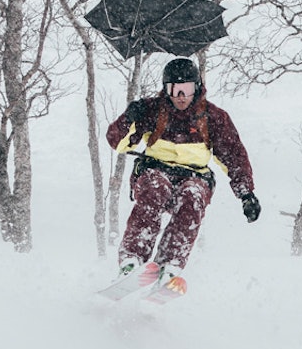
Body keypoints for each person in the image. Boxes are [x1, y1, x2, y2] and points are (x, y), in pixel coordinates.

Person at [106, 57, 261, 294]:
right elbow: (117, 142)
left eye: (186, 89)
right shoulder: (152, 110)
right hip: (156, 170)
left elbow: (233, 156)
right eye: (174, 89)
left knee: (192, 197)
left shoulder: (213, 117)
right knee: (155, 190)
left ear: (197, 87)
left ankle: (169, 264)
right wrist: (128, 118)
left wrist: (246, 194)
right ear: (165, 89)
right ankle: (132, 259)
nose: (180, 96)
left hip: (194, 175)